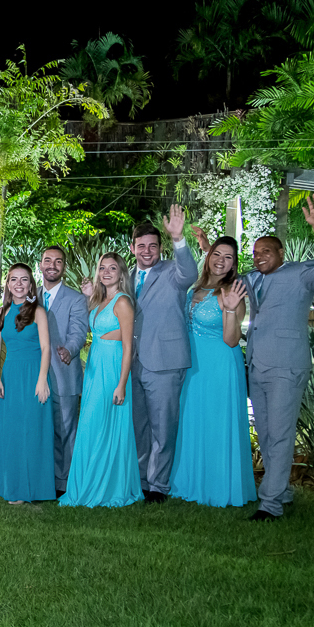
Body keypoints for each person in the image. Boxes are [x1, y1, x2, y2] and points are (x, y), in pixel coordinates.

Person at [244, 196, 314, 521]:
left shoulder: (300, 274)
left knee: (282, 433)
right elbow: (220, 279)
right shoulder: (251, 278)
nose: (259, 257)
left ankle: (269, 504)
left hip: (287, 366)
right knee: (268, 431)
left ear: (280, 253)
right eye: (255, 253)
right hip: (257, 365)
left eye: (266, 251)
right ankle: (282, 490)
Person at [169, 233, 257, 508]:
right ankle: (190, 481)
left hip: (219, 366)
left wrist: (231, 310)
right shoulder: (195, 288)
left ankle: (219, 487)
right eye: (217, 254)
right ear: (208, 256)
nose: (221, 261)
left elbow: (231, 340)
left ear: (233, 265)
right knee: (193, 421)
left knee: (217, 424)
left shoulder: (232, 293)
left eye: (228, 257)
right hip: (192, 365)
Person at [127, 205, 198, 503]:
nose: (147, 251)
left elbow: (190, 272)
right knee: (139, 426)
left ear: (160, 248)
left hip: (165, 362)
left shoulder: (173, 272)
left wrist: (179, 238)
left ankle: (159, 486)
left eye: (152, 246)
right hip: (132, 364)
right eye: (141, 246)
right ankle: (142, 480)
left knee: (163, 427)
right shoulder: (126, 277)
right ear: (132, 248)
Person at [60, 254, 140, 508]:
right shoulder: (99, 300)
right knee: (92, 427)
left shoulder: (123, 302)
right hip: (95, 368)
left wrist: (121, 384)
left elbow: (128, 347)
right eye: (102, 268)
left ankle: (108, 487)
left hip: (114, 369)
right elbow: (94, 329)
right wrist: (87, 295)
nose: (106, 272)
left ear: (122, 273)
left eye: (112, 268)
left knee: (107, 427)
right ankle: (86, 483)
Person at [0, 263, 54, 504]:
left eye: (24, 279)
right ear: (7, 284)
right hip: (11, 375)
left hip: (34, 374)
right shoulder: (0, 313)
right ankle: (12, 485)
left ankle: (33, 488)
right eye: (13, 279)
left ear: (30, 284)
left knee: (33, 430)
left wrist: (42, 379)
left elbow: (46, 347)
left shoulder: (38, 312)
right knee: (12, 431)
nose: (18, 284)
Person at [39, 246, 89, 497]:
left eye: (58, 262)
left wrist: (69, 349)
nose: (52, 265)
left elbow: (79, 331)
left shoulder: (76, 299)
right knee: (38, 428)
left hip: (63, 373)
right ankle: (40, 476)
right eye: (48, 260)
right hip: (34, 375)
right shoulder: (29, 296)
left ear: (64, 268)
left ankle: (63, 483)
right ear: (40, 265)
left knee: (65, 430)